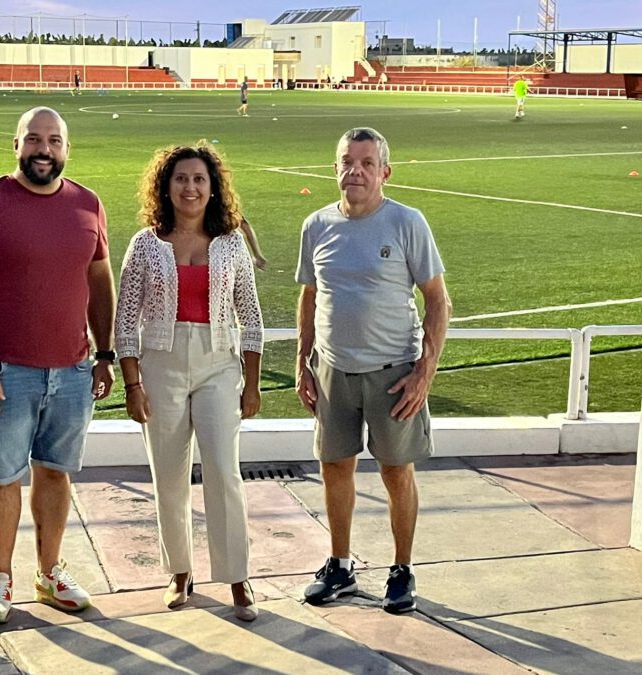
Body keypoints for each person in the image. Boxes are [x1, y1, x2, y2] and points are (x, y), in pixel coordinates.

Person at [0, 106, 115, 625]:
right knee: (1, 478)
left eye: (54, 141)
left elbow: (100, 283)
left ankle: (49, 574)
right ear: (15, 144)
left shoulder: (87, 204)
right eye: (34, 140)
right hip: (6, 372)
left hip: (72, 372)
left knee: (56, 474)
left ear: (66, 148)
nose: (44, 150)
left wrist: (104, 353)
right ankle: (0, 578)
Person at [296, 127, 451, 615]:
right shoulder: (316, 225)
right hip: (333, 372)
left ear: (384, 171)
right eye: (347, 162)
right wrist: (304, 359)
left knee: (395, 472)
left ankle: (401, 570)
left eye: (366, 163)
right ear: (335, 168)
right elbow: (309, 295)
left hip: (394, 374)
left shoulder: (407, 222)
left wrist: (425, 371)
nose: (354, 171)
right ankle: (340, 565)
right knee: (335, 467)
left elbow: (438, 301)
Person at [114, 144, 263, 622]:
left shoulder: (232, 243)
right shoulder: (145, 244)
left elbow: (252, 318)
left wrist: (252, 383)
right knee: (169, 475)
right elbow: (125, 321)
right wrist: (133, 384)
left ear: (213, 186)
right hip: (161, 364)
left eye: (200, 179)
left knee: (223, 469)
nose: (191, 188)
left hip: (219, 363)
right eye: (181, 179)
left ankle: (237, 576)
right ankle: (180, 571)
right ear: (166, 186)